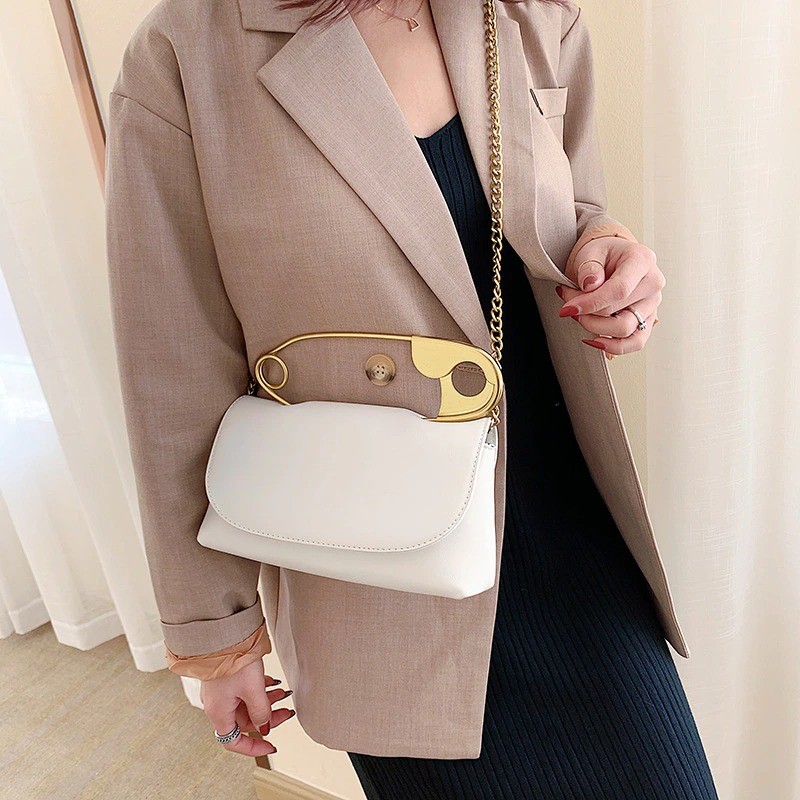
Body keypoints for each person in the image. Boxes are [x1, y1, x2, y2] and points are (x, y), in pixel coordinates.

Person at [106, 0, 719, 797]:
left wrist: (608, 255)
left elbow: (574, 211)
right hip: (381, 579)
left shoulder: (533, 15)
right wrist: (217, 636)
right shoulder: (186, 54)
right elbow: (171, 366)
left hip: (569, 533)